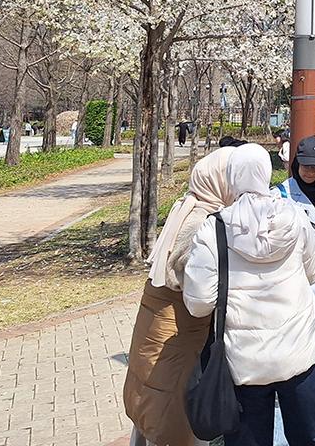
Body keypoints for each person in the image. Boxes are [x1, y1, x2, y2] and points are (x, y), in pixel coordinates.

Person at [182, 144, 315, 446]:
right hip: (301, 350)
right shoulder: (295, 216)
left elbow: (199, 303)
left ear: (232, 177)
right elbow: (312, 272)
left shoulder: (214, 228)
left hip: (244, 361)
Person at [124, 147, 232, 446]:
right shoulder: (202, 219)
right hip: (178, 326)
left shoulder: (187, 204)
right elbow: (188, 280)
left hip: (156, 320)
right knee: (174, 407)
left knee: (151, 399)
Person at [276, 136, 315, 343]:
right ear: (297, 164)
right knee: (297, 342)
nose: (310, 172)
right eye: (306, 165)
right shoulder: (280, 196)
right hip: (296, 281)